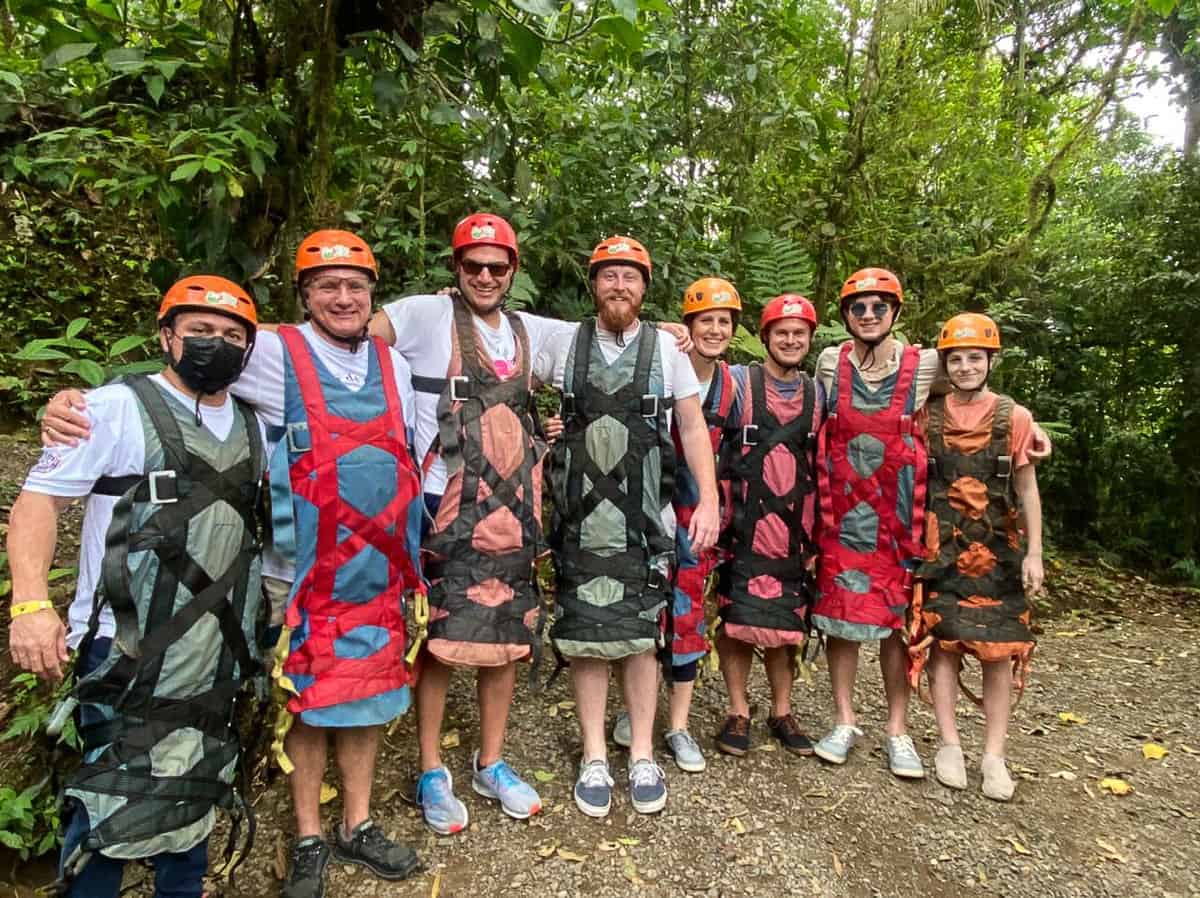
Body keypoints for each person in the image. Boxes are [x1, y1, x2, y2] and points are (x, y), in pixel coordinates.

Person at [39, 230, 426, 898]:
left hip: (377, 568)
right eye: (326, 286)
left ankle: (356, 824)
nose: (343, 297)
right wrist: (72, 404)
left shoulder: (393, 363)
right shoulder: (270, 352)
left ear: (372, 295)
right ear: (303, 297)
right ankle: (308, 834)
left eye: (355, 286)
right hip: (298, 574)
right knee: (307, 701)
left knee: (366, 696)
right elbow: (183, 374)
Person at [8, 275, 266, 898]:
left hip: (217, 650)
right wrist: (31, 604)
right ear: (166, 336)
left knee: (198, 788)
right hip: (123, 650)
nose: (217, 344)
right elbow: (37, 504)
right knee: (112, 800)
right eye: (200, 331)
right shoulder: (113, 409)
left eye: (233, 335)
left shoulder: (255, 424)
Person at [366, 213, 579, 834]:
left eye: (497, 266)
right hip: (443, 502)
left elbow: (606, 343)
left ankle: (491, 758)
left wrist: (675, 334)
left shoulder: (529, 330)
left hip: (513, 505)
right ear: (455, 269)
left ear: (513, 272)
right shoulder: (423, 316)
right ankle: (432, 766)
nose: (485, 275)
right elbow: (331, 338)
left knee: (505, 626)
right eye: (473, 265)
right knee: (441, 634)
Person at [810, 267, 1050, 780]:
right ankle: (844, 720)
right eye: (859, 308)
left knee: (899, 624)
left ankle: (898, 730)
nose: (869, 315)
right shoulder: (830, 362)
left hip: (901, 522)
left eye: (879, 307)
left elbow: (977, 386)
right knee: (842, 620)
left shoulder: (924, 364)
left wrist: (1032, 426)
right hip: (844, 517)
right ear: (846, 316)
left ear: (895, 313)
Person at [543, 235, 720, 818]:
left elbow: (692, 429)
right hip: (581, 522)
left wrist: (711, 501)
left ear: (645, 287)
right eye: (609, 276)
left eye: (631, 277)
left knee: (642, 637)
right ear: (593, 283)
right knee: (589, 633)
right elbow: (491, 339)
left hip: (646, 521)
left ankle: (642, 752)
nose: (619, 286)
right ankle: (595, 753)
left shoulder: (668, 351)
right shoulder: (560, 342)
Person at [907, 313, 1042, 801]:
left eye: (975, 357)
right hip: (942, 546)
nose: (966, 367)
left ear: (991, 360)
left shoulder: (1015, 417)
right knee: (943, 644)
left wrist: (1036, 555)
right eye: (956, 358)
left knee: (1000, 653)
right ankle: (948, 743)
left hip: (1001, 550)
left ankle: (994, 755)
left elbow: (1028, 488)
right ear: (945, 364)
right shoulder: (929, 413)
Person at [611, 277, 740, 773]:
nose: (714, 330)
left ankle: (679, 724)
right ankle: (632, 711)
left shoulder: (737, 384)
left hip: (699, 517)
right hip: (648, 506)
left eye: (723, 322)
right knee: (641, 609)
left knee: (686, 613)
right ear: (687, 325)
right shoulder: (659, 361)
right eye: (704, 321)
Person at [714, 294, 823, 759]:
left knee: (785, 623)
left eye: (800, 333)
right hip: (743, 521)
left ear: (810, 340)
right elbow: (691, 367)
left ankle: (782, 710)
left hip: (796, 528)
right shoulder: (737, 382)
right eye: (782, 332)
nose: (791, 340)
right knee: (737, 620)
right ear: (765, 338)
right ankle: (738, 709)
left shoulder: (821, 393)